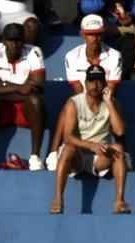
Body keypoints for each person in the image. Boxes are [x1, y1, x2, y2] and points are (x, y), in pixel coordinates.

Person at [49, 65, 129, 214]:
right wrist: (91, 145)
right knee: (68, 149)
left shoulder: (112, 102)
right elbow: (67, 136)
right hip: (78, 155)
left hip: (100, 157)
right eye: (91, 81)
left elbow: (120, 131)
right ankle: (58, 199)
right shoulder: (74, 102)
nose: (95, 85)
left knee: (118, 149)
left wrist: (109, 103)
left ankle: (119, 201)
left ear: (104, 84)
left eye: (99, 81)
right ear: (85, 83)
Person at [46, 14, 121, 169]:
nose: (95, 38)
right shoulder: (72, 56)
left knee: (113, 104)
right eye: (90, 34)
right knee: (70, 105)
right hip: (83, 99)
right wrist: (86, 104)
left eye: (98, 34)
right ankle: (53, 153)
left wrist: (98, 101)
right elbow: (78, 91)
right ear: (82, 35)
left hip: (105, 99)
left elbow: (111, 90)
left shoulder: (115, 56)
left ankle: (122, 151)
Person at [0, 22, 45, 171]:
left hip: (24, 109)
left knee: (35, 100)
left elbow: (37, 86)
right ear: (4, 41)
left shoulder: (34, 51)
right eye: (11, 40)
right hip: (0, 110)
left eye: (18, 40)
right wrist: (19, 87)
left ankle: (35, 157)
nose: (15, 45)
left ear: (23, 41)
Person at [82, 0, 135, 78]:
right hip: (106, 26)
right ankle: (94, 67)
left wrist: (133, 16)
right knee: (94, 22)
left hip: (128, 23)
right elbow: (86, 7)